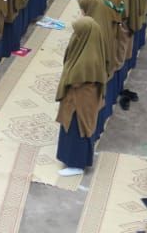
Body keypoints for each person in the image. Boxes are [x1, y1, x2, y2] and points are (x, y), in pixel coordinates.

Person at [54, 18, 108, 175]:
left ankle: (76, 164)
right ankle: (70, 159)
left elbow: (76, 78)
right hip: (78, 99)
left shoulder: (88, 58)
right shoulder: (88, 48)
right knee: (71, 129)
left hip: (82, 101)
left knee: (79, 128)